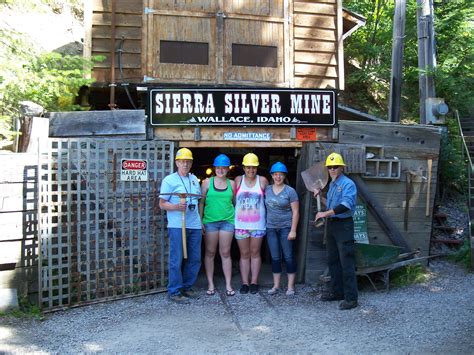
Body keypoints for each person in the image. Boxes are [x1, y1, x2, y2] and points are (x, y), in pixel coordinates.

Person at [314, 152, 358, 310]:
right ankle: (337, 292)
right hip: (332, 225)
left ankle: (351, 299)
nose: (332, 169)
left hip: (344, 225)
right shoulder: (332, 184)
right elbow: (331, 205)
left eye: (335, 166)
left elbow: (346, 205)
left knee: (347, 262)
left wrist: (324, 214)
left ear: (341, 168)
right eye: (330, 167)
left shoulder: (348, 184)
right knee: (333, 261)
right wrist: (320, 197)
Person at [159, 147, 202, 304]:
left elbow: (197, 200)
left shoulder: (194, 179)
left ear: (191, 163)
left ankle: (187, 286)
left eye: (188, 161)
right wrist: (176, 207)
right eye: (182, 161)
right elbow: (162, 204)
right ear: (177, 162)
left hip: (194, 224)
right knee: (176, 259)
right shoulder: (169, 180)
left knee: (195, 258)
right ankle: (174, 291)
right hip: (178, 224)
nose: (185, 164)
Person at [199, 154, 236, 297]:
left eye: (224, 167)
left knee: (226, 253)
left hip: (227, 221)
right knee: (210, 253)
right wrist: (201, 220)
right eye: (218, 167)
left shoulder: (232, 184)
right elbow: (201, 202)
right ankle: (210, 284)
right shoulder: (207, 183)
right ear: (215, 168)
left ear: (228, 169)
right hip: (210, 222)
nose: (221, 170)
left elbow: (234, 203)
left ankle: (228, 285)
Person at [234, 153, 269, 294]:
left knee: (255, 253)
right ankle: (244, 283)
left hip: (258, 225)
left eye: (253, 167)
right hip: (241, 225)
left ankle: (254, 281)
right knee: (244, 254)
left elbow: (269, 200)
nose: (251, 170)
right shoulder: (237, 180)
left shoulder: (263, 181)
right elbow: (232, 200)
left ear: (257, 167)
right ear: (243, 168)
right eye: (248, 167)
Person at [264, 162, 299, 296]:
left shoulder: (290, 191)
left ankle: (290, 287)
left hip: (286, 227)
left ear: (284, 176)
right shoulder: (267, 189)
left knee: (289, 257)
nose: (278, 177)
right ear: (272, 175)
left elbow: (296, 212)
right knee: (275, 257)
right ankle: (276, 286)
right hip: (271, 227)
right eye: (275, 174)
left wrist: (293, 230)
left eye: (281, 174)